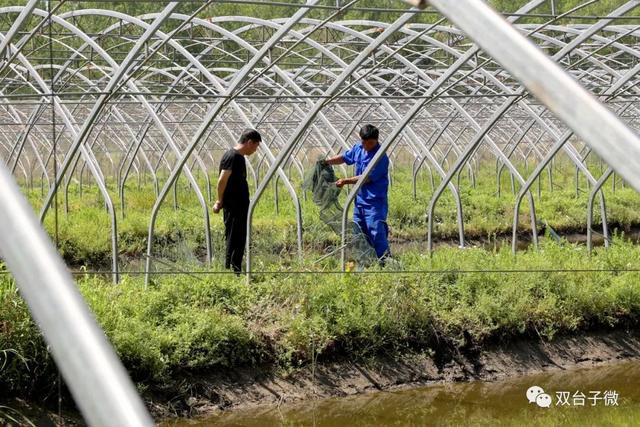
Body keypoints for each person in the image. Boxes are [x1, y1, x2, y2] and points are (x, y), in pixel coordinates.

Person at [323, 124, 390, 261]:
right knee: (359, 231)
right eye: (364, 142)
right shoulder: (359, 148)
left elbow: (366, 178)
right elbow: (344, 158)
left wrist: (345, 181)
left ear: (376, 140)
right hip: (360, 200)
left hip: (375, 202)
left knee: (376, 230)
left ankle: (384, 260)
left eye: (370, 143)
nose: (366, 146)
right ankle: (366, 260)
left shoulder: (381, 157)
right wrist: (327, 162)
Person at [213, 129, 261, 273]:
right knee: (234, 238)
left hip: (239, 206)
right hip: (234, 206)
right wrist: (219, 201)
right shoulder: (232, 156)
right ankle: (232, 272)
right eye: (255, 146)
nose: (255, 150)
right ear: (249, 142)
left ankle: (236, 270)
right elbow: (222, 180)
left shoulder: (239, 157)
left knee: (239, 239)